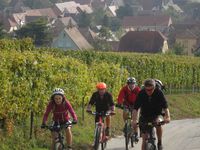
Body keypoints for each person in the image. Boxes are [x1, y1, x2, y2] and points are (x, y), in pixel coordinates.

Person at [132, 79, 170, 150]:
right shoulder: (141, 93)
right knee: (144, 140)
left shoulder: (159, 92)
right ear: (144, 88)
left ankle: (159, 142)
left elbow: (165, 107)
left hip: (156, 115)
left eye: (151, 89)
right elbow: (135, 109)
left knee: (158, 124)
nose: (148, 92)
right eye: (147, 90)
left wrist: (168, 117)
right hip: (144, 115)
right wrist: (134, 120)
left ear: (154, 87)